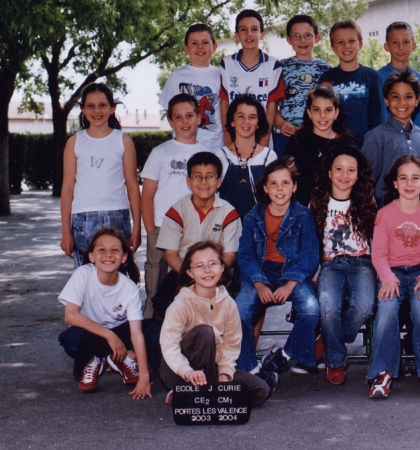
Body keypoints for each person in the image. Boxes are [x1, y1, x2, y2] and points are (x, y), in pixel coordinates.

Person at [367, 155, 420, 399]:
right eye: (403, 178)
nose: (409, 184)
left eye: (415, 178)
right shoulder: (385, 214)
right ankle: (382, 371)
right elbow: (378, 253)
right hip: (393, 272)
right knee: (387, 310)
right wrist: (387, 277)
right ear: (395, 184)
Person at [237, 158, 319, 384]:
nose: (279, 189)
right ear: (265, 188)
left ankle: (284, 355)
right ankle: (249, 367)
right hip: (260, 274)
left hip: (292, 274)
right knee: (239, 312)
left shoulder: (303, 216)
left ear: (294, 187)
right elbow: (245, 255)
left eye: (285, 183)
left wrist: (291, 283)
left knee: (311, 310)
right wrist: (259, 283)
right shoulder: (253, 216)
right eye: (273, 184)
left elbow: (310, 255)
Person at [159, 240, 270, 407]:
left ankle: (194, 396)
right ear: (190, 273)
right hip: (180, 370)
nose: (207, 270)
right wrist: (187, 372)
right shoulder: (181, 304)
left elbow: (232, 345)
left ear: (222, 267)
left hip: (213, 368)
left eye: (213, 264)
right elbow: (169, 346)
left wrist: (225, 374)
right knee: (205, 332)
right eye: (199, 266)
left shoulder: (228, 303)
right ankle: (202, 393)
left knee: (260, 390)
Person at [310, 146, 377, 385]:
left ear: (358, 175)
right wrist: (315, 270)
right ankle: (335, 361)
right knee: (328, 305)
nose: (344, 175)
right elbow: (312, 240)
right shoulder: (318, 200)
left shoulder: (366, 200)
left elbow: (375, 237)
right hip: (331, 264)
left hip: (362, 262)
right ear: (329, 172)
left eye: (351, 170)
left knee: (365, 306)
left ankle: (330, 338)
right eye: (338, 169)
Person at [58, 228, 151, 398]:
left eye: (115, 250)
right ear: (92, 256)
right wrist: (109, 335)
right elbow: (70, 316)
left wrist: (144, 378)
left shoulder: (129, 287)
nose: (108, 255)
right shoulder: (83, 274)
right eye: (102, 250)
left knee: (154, 329)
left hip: (119, 338)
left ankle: (125, 358)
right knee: (70, 337)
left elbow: (136, 333)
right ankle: (92, 361)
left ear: (123, 258)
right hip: (92, 336)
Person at [60, 83, 141, 267]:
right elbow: (67, 188)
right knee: (86, 278)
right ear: (82, 109)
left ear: (112, 108)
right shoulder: (74, 142)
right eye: (90, 106)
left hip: (118, 216)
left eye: (102, 105)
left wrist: (137, 228)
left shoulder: (123, 141)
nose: (97, 111)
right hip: (83, 218)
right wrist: (65, 231)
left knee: (117, 276)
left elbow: (132, 186)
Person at [153, 152, 241, 318]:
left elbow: (230, 256)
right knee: (162, 302)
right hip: (184, 271)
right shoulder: (176, 211)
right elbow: (171, 255)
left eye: (210, 177)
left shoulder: (229, 213)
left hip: (218, 274)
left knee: (225, 310)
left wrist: (210, 275)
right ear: (188, 181)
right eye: (197, 176)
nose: (203, 182)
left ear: (219, 182)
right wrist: (193, 275)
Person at [140, 94, 205, 318]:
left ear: (198, 117)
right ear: (170, 121)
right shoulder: (160, 152)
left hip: (192, 229)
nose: (184, 122)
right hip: (161, 226)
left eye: (189, 115)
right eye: (178, 117)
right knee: (155, 286)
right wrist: (150, 231)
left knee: (188, 282)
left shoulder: (208, 153)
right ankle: (149, 334)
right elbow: (146, 195)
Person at [362, 70, 420, 205]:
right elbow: (367, 182)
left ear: (417, 100)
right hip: (385, 214)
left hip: (419, 214)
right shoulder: (376, 137)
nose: (402, 103)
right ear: (386, 100)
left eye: (408, 97)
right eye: (395, 97)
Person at [283, 84, 356, 207]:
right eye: (316, 110)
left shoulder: (347, 144)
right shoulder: (298, 140)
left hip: (335, 211)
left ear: (336, 112)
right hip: (301, 209)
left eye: (328, 110)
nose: (322, 116)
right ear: (309, 113)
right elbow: (285, 176)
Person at [219, 9, 284, 146]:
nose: (249, 34)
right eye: (243, 29)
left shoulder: (272, 64)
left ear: (262, 34)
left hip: (261, 140)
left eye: (254, 29)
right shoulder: (227, 63)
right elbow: (224, 103)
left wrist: (264, 140)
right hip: (234, 139)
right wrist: (228, 137)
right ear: (237, 35)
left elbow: (272, 105)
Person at [158, 23, 224, 152]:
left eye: (205, 42)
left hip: (215, 147)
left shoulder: (221, 76)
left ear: (214, 47)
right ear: (186, 48)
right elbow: (169, 110)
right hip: (184, 146)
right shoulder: (177, 76)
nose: (200, 47)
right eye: (194, 43)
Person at [318, 20, 383, 147]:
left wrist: (374, 145)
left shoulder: (372, 77)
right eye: (340, 42)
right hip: (334, 145)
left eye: (351, 41)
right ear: (333, 48)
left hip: (366, 145)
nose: (346, 46)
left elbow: (377, 117)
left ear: (360, 44)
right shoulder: (326, 78)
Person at [275, 15, 332, 155]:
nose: (302, 40)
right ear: (288, 40)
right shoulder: (279, 67)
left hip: (316, 134)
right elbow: (271, 103)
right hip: (285, 134)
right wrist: (280, 123)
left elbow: (330, 104)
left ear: (317, 38)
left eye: (307, 35)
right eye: (296, 36)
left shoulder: (326, 69)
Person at [217, 95, 278, 219]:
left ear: (258, 124)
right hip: (227, 227)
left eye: (252, 117)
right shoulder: (221, 156)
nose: (246, 122)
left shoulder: (269, 156)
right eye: (241, 116)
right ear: (232, 121)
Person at [376, 21, 420, 127]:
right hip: (385, 140)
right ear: (386, 46)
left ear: (413, 45)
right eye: (395, 42)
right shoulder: (376, 78)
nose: (400, 47)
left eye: (406, 42)